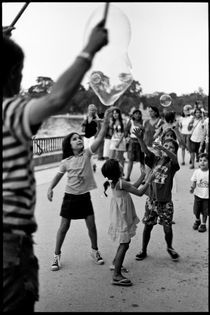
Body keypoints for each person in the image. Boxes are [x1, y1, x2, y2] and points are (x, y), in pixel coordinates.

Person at [3, 20, 108, 312]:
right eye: (19, 74)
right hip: (9, 242)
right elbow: (57, 98)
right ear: (13, 75)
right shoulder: (9, 111)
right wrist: (89, 49)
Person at [47, 107, 114, 271]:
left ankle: (95, 251)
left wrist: (104, 124)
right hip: (70, 197)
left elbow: (99, 138)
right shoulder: (66, 161)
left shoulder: (87, 154)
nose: (79, 140)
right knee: (63, 227)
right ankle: (56, 255)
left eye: (80, 138)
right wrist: (50, 188)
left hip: (84, 197)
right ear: (69, 145)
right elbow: (57, 176)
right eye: (75, 139)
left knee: (91, 225)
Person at [101, 158, 156, 286]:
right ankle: (116, 275)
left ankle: (116, 264)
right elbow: (140, 192)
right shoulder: (120, 182)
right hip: (122, 216)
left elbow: (133, 187)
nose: (122, 165)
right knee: (124, 244)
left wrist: (142, 175)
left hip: (121, 215)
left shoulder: (118, 182)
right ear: (117, 170)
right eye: (120, 164)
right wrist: (148, 180)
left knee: (125, 242)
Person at [133, 127, 180, 261]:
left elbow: (175, 158)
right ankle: (143, 249)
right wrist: (140, 138)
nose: (168, 148)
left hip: (165, 202)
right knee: (148, 227)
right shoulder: (155, 159)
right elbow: (145, 151)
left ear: (174, 151)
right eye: (165, 145)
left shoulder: (172, 164)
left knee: (167, 228)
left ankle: (170, 247)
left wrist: (165, 150)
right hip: (152, 201)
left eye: (171, 147)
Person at [124, 109, 145, 182]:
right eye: (136, 113)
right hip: (132, 142)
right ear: (133, 115)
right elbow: (126, 130)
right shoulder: (131, 122)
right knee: (130, 160)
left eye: (139, 114)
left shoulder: (143, 122)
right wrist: (127, 138)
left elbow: (145, 132)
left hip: (140, 142)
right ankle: (127, 176)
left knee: (142, 161)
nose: (137, 115)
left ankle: (143, 179)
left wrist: (142, 128)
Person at [190, 153, 209, 232]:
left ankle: (203, 224)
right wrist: (192, 188)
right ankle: (197, 220)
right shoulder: (196, 172)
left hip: (207, 197)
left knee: (205, 211)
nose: (202, 162)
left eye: (205, 160)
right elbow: (194, 181)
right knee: (196, 210)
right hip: (197, 195)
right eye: (200, 160)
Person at [81, 103, 101, 171]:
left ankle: (88, 166)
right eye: (90, 110)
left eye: (93, 110)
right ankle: (93, 164)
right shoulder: (85, 118)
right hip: (86, 137)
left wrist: (96, 136)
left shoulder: (96, 118)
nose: (91, 111)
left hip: (92, 137)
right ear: (88, 110)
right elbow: (83, 129)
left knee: (90, 151)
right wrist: (83, 124)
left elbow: (99, 128)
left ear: (95, 111)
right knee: (86, 152)